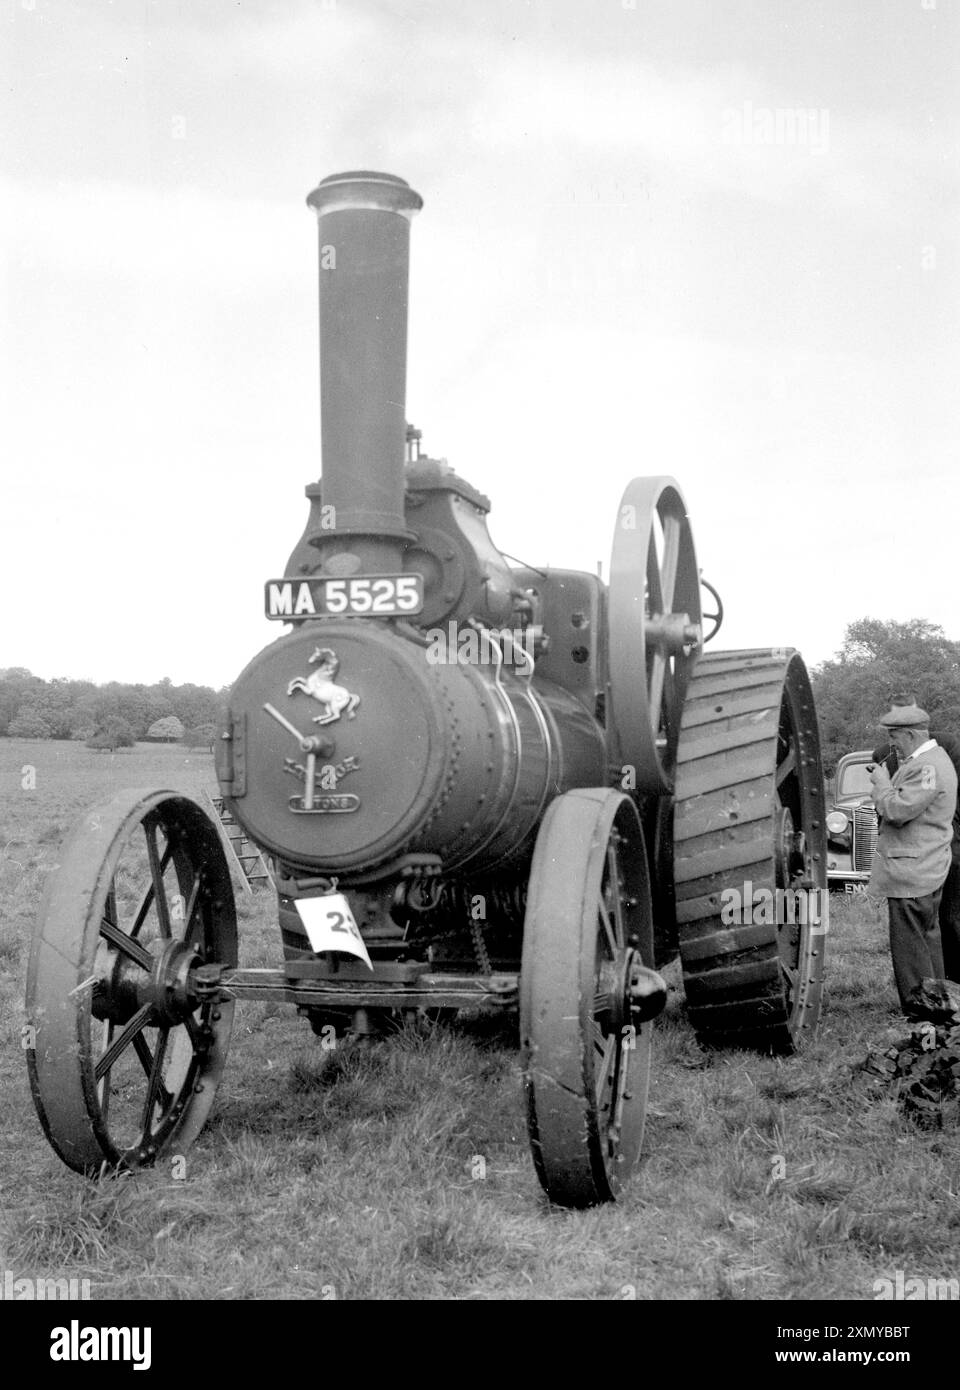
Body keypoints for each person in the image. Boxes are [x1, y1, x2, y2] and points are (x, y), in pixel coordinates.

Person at [868, 700, 958, 1023]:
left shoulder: (928, 766)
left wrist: (881, 786)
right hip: (926, 867)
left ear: (909, 734)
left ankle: (921, 1012)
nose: (891, 743)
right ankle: (940, 1005)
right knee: (928, 939)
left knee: (909, 947)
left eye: (894, 737)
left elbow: (898, 810)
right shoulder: (933, 761)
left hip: (913, 870)